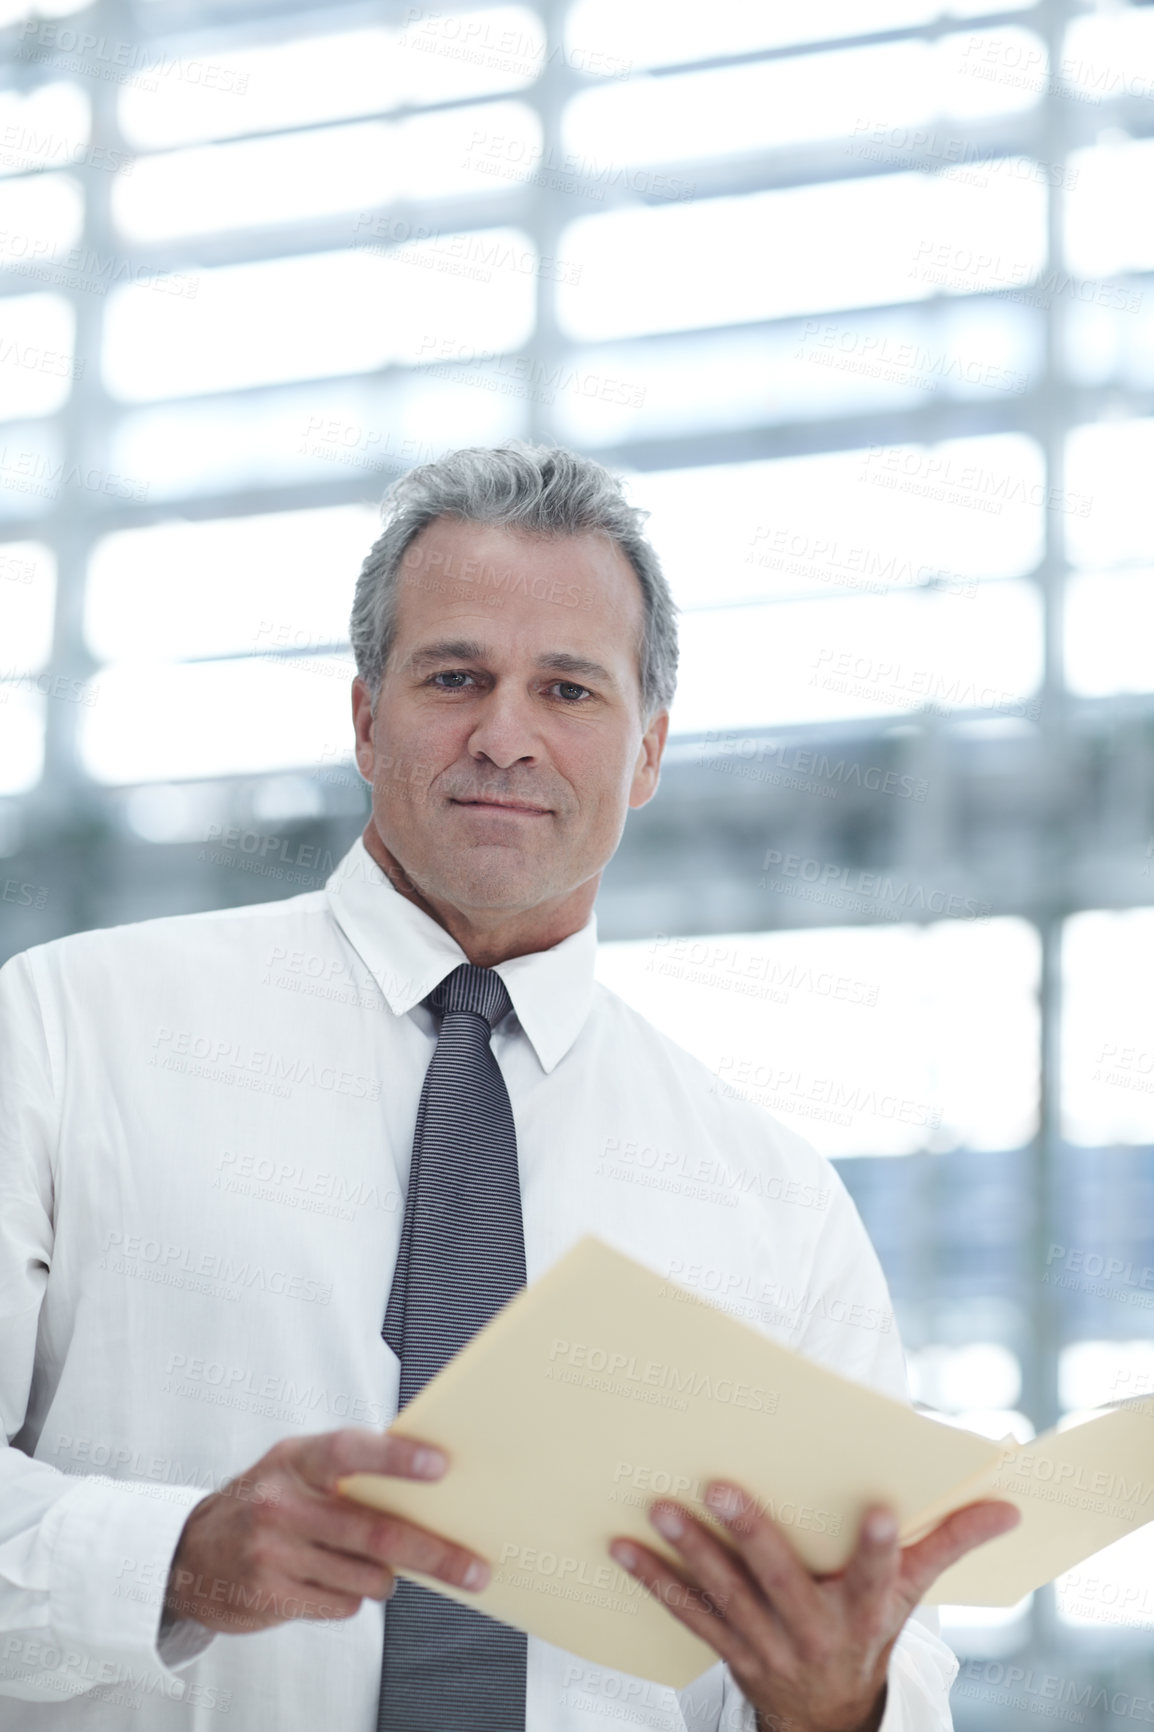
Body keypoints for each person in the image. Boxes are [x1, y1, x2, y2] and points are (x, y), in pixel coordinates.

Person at [0, 444, 1016, 1731]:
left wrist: (836, 1703)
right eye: (455, 677)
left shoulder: (771, 1198)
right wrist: (173, 1558)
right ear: (366, 718)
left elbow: (895, 1656)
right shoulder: (69, 1030)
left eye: (569, 691)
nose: (505, 736)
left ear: (646, 754)